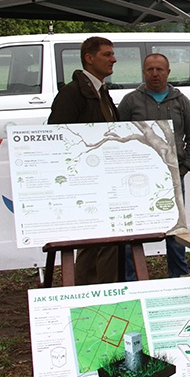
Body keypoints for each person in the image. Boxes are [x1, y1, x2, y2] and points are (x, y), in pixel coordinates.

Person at [118, 53, 190, 278]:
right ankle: (133, 281)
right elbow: (119, 133)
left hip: (172, 177)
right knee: (132, 233)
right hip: (137, 178)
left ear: (168, 72)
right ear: (143, 72)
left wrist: (185, 167)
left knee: (174, 232)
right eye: (150, 69)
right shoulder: (130, 101)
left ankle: (178, 279)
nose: (155, 74)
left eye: (159, 69)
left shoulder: (180, 101)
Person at [47, 36, 120, 285]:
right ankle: (91, 292)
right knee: (92, 243)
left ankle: (104, 289)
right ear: (89, 58)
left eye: (112, 54)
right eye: (107, 54)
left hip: (105, 180)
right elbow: (56, 138)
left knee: (107, 241)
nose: (114, 59)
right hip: (85, 183)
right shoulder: (71, 94)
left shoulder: (102, 93)